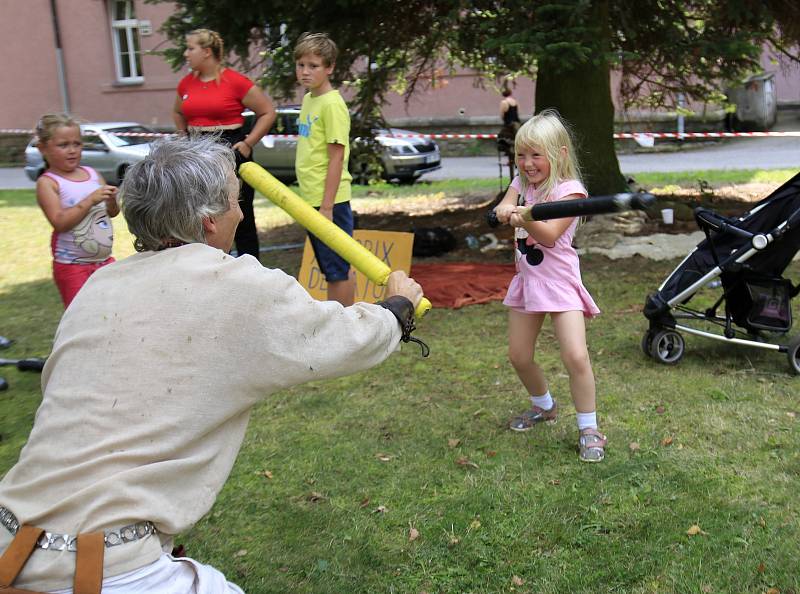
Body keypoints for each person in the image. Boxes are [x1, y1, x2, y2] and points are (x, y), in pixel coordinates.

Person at [0, 136, 425, 593]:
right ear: (207, 222)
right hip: (102, 567)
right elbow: (345, 338)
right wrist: (398, 307)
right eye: (234, 201)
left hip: (8, 534)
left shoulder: (100, 284)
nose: (241, 213)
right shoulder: (236, 284)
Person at [492, 109, 605, 463]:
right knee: (519, 356)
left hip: (559, 283)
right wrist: (507, 209)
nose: (527, 163)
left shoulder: (571, 192)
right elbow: (506, 202)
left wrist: (524, 215)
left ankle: (589, 428)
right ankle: (545, 406)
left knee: (575, 355)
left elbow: (550, 234)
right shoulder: (523, 182)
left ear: (559, 154)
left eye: (536, 155)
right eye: (522, 155)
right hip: (528, 281)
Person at [173, 28, 276, 260]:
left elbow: (267, 111)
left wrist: (249, 142)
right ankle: (205, 266)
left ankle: (251, 271)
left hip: (230, 149)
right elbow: (178, 112)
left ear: (207, 52)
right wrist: (182, 136)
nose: (186, 54)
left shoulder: (235, 81)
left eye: (190, 48)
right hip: (197, 151)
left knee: (240, 215)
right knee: (198, 214)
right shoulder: (186, 83)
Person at [294, 32, 356, 306]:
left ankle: (342, 325)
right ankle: (344, 320)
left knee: (336, 270)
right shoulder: (310, 99)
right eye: (301, 65)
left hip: (330, 201)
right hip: (311, 197)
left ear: (329, 68)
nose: (305, 72)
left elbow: (336, 158)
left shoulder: (332, 104)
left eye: (313, 66)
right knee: (332, 266)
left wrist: (327, 207)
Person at [34, 113, 120, 308]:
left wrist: (113, 200)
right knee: (81, 317)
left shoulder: (92, 174)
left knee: (112, 312)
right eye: (63, 145)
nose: (72, 150)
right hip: (72, 266)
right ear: (43, 148)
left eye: (77, 144)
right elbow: (60, 222)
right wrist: (90, 200)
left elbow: (112, 213)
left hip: (105, 262)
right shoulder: (48, 183)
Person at [497, 87, 521, 178]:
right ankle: (515, 159)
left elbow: (502, 115)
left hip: (509, 125)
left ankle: (510, 157)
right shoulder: (515, 101)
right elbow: (517, 113)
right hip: (517, 125)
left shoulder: (504, 102)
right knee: (518, 142)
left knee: (502, 139)